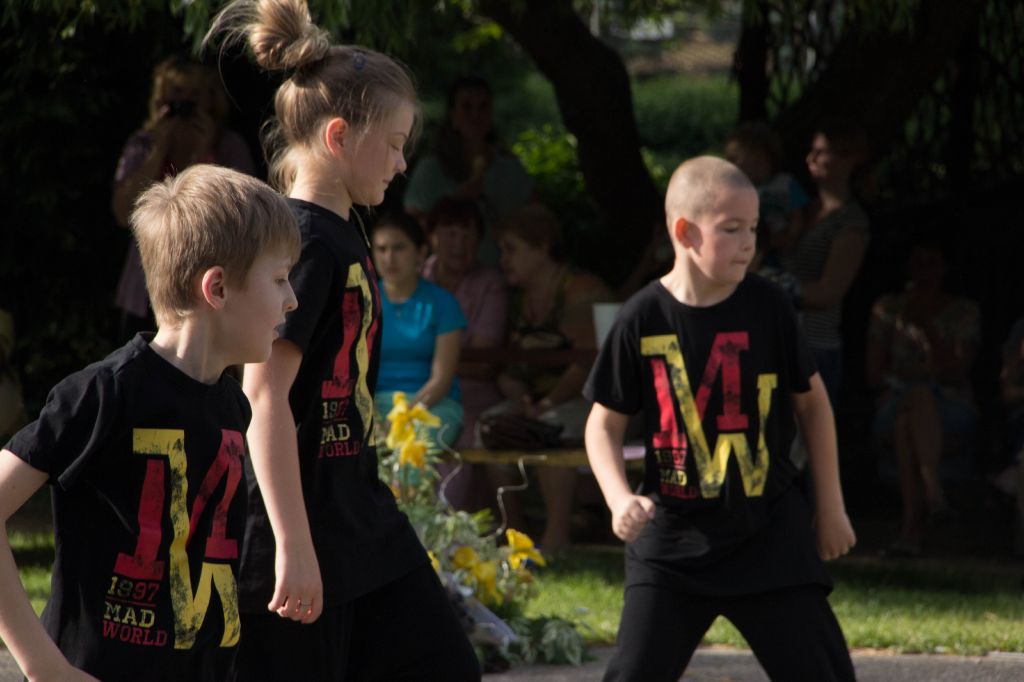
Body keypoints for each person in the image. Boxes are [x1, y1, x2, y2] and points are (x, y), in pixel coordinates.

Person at [205, 2, 481, 680]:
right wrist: (292, 544)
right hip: (297, 529)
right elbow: (263, 396)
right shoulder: (301, 244)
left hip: (362, 520)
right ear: (338, 136)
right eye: (394, 142)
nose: (403, 161)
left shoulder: (343, 233)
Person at [0, 164, 300, 682]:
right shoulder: (104, 393)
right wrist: (46, 666)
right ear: (217, 288)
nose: (292, 298)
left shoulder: (233, 406)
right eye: (278, 279)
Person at [584, 156, 856, 681]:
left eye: (753, 228)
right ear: (685, 233)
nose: (750, 243)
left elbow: (813, 404)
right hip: (672, 543)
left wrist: (831, 506)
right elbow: (603, 424)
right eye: (732, 229)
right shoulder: (642, 316)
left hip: (768, 536)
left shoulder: (770, 306)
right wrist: (618, 498)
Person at [487, 203, 612, 550]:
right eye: (501, 251)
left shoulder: (581, 289)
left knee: (551, 431)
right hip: (535, 402)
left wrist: (545, 404)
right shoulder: (517, 300)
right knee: (491, 427)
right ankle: (513, 533)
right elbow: (508, 366)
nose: (503, 260)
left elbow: (586, 363)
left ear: (541, 247)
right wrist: (521, 400)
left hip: (589, 401)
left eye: (511, 249)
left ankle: (556, 539)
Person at [111, 55, 256, 340]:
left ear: (211, 100)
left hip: (206, 287)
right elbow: (122, 213)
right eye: (177, 93)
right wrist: (158, 152)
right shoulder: (142, 145)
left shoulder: (229, 147)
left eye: (195, 95)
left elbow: (244, 218)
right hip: (144, 287)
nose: (186, 104)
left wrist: (203, 156)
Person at [866, 240, 979, 556]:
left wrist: (927, 326)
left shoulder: (964, 311)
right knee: (915, 401)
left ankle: (911, 530)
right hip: (894, 401)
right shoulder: (888, 308)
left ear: (945, 268)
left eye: (932, 264)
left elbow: (955, 372)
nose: (924, 272)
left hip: (950, 407)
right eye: (917, 263)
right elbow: (873, 374)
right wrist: (921, 373)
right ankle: (935, 498)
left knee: (909, 422)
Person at [422, 198, 507, 509]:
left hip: (472, 396)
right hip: (416, 390)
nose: (459, 244)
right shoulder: (414, 277)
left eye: (468, 234)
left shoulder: (489, 283)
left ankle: (449, 520)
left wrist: (429, 361)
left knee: (463, 435)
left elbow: (484, 360)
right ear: (432, 237)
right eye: (450, 233)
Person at [403, 75, 533, 267]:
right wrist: (457, 200)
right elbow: (410, 229)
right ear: (453, 115)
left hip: (500, 273)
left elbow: (533, 224)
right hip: (443, 276)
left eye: (482, 107)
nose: (475, 115)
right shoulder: (429, 171)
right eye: (467, 107)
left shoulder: (512, 170)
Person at [785, 118, 871, 403]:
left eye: (822, 152)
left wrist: (772, 286)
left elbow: (828, 292)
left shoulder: (851, 223)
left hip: (814, 346)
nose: (811, 159)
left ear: (848, 159)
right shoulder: (801, 211)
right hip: (781, 338)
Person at [373, 212, 466, 451]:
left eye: (399, 248)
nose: (389, 258)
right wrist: (372, 417)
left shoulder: (443, 303)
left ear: (421, 252)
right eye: (381, 249)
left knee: (410, 449)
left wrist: (404, 418)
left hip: (432, 405)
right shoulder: (364, 302)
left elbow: (441, 380)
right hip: (373, 406)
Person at [724, 121, 809, 281]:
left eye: (735, 159)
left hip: (782, 252)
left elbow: (797, 216)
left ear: (759, 156)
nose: (730, 165)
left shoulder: (786, 183)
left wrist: (790, 238)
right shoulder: (736, 190)